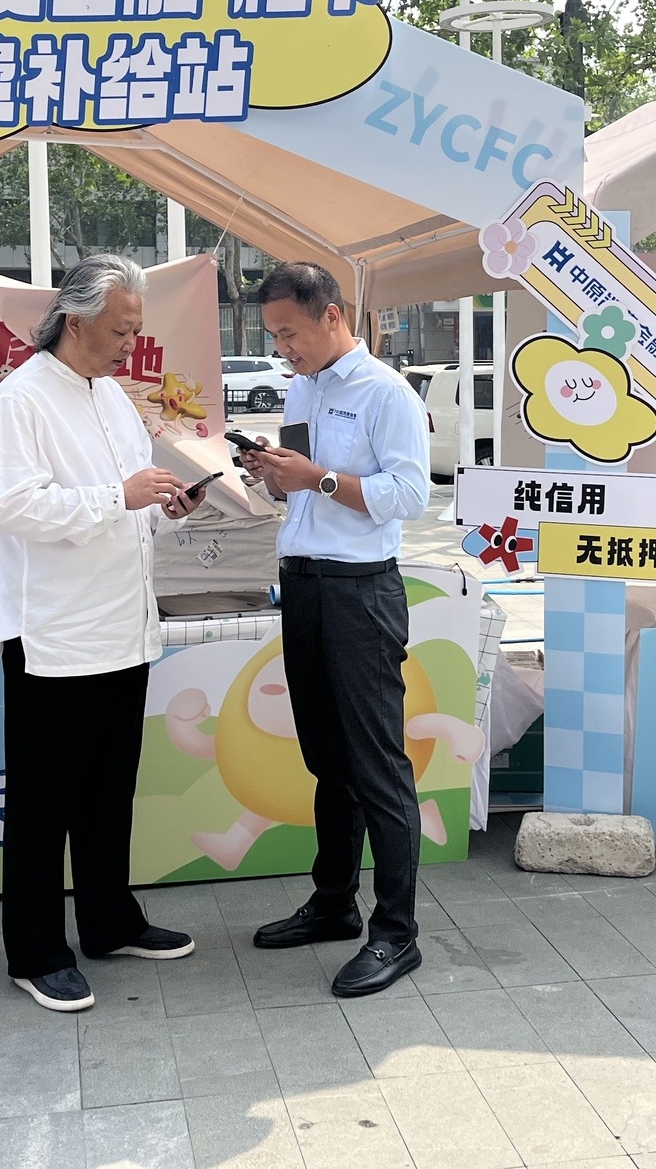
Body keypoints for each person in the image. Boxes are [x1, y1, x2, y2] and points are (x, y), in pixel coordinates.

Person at [0, 255, 202, 1013]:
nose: (130, 344)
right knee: (44, 804)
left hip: (122, 628)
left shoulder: (112, 396)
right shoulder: (22, 398)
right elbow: (15, 505)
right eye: (120, 330)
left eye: (136, 330)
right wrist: (120, 496)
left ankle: (111, 922)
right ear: (75, 321)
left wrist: (163, 508)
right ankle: (36, 951)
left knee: (109, 794)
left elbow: (127, 506)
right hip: (54, 636)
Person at [239, 262, 430, 998]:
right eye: (273, 336)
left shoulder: (386, 392)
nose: (283, 349)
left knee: (377, 765)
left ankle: (397, 933)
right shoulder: (301, 389)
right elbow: (300, 488)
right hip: (304, 586)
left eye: (290, 333)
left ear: (331, 316)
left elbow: (408, 494)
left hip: (360, 592)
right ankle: (333, 903)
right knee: (327, 759)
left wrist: (315, 476)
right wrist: (272, 474)